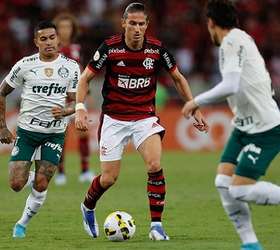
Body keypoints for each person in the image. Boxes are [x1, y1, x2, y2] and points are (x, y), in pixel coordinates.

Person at [75, 2, 208, 241]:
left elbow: (178, 78)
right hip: (114, 119)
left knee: (154, 165)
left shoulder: (157, 50)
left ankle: (156, 226)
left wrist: (193, 106)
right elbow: (85, 79)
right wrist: (80, 107)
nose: (137, 28)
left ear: (147, 25)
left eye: (141, 24)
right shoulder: (110, 48)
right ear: (123, 23)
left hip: (144, 117)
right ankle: (87, 206)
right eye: (132, 23)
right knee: (108, 178)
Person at [182, 1, 280, 250]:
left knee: (238, 190)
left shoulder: (231, 41)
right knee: (223, 183)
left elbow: (231, 85)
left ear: (211, 23)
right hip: (244, 126)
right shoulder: (241, 38)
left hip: (264, 128)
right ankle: (251, 244)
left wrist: (196, 101)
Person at [0, 20, 80, 238]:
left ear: (58, 39)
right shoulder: (24, 64)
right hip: (26, 133)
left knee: (42, 183)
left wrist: (66, 111)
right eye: (43, 39)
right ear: (36, 41)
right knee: (16, 184)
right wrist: (2, 127)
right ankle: (39, 174)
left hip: (54, 133)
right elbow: (2, 91)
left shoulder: (71, 67)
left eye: (52, 38)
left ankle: (22, 224)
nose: (48, 42)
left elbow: (74, 101)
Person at [53, 13, 94, 185]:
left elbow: (82, 72)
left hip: (76, 98)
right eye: (62, 27)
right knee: (60, 136)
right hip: (58, 98)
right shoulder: (51, 48)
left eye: (68, 27)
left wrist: (87, 94)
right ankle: (60, 173)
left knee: (83, 131)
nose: (65, 31)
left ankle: (84, 170)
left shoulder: (76, 48)